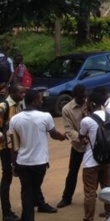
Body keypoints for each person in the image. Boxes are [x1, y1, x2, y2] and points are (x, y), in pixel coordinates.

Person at [9, 89, 67, 221]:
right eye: (40, 99)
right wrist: (62, 137)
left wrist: (14, 164)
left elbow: (14, 144)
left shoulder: (15, 119)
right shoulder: (45, 116)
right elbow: (53, 134)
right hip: (39, 163)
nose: (42, 101)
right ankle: (30, 216)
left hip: (22, 162)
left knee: (27, 192)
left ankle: (30, 214)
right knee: (31, 191)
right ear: (35, 101)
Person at [78, 90, 110, 221]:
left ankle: (88, 218)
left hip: (90, 162)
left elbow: (81, 137)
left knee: (90, 193)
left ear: (91, 103)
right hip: (106, 159)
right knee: (107, 188)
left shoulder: (86, 120)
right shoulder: (109, 116)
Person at [56, 84, 87, 210]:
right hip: (78, 146)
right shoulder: (67, 109)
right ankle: (66, 198)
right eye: (81, 97)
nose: (84, 99)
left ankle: (92, 194)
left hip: (92, 145)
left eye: (85, 96)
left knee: (94, 171)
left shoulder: (90, 102)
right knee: (72, 172)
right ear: (75, 96)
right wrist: (81, 138)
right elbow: (68, 129)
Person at [0, 84, 24, 221]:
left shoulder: (19, 105)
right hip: (5, 148)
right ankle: (6, 212)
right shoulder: (4, 106)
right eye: (21, 93)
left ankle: (36, 201)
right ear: (12, 92)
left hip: (16, 146)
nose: (23, 95)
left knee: (24, 173)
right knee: (7, 177)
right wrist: (6, 136)